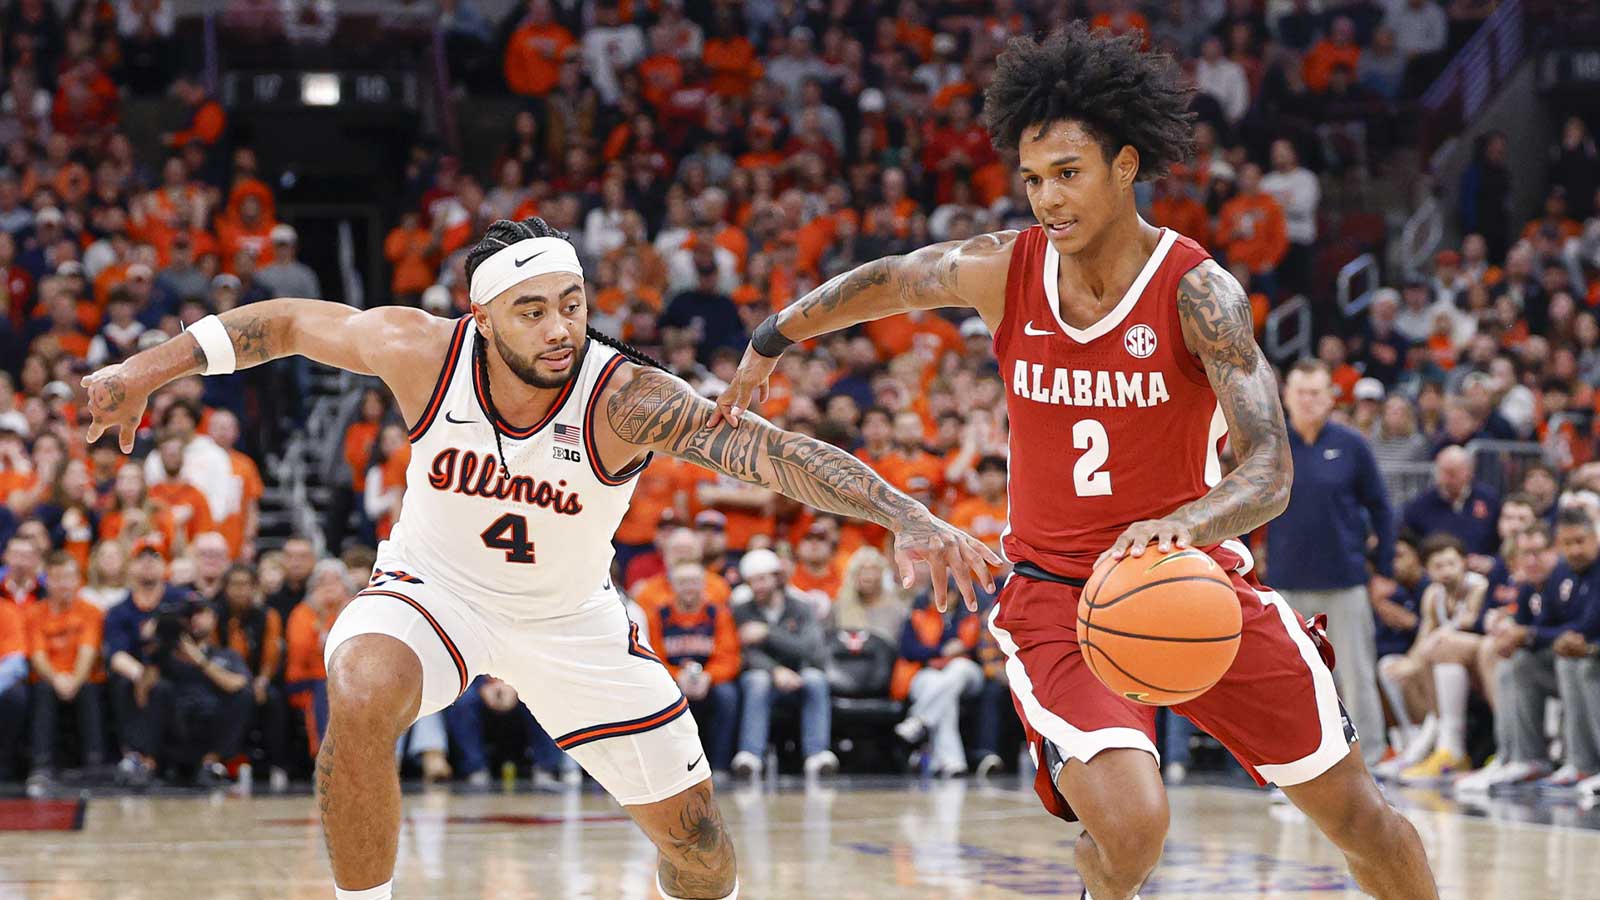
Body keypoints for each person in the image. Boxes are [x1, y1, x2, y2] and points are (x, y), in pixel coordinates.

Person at [714, 25, 1436, 899]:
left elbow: (1269, 472)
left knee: (1363, 820)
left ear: (1125, 166)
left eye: (1068, 173)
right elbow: (894, 280)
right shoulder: (1002, 270)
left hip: (1193, 579)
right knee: (1132, 831)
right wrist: (773, 334)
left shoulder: (1197, 291)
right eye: (1032, 179)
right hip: (1058, 596)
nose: (1047, 198)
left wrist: (1186, 523)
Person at [83, 215, 995, 900]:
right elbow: (279, 323)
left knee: (703, 856)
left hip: (571, 622)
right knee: (358, 688)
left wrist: (903, 512)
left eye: (572, 305)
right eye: (532, 311)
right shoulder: (420, 352)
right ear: (482, 318)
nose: (561, 328)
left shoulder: (626, 397)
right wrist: (143, 372)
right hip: (433, 593)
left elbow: (774, 453)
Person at [1268, 359, 1394, 764]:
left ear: (1330, 398)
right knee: (1289, 679)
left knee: (1357, 676)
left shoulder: (1352, 445)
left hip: (1345, 580)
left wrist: (1385, 570)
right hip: (1285, 583)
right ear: (1286, 397)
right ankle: (1294, 760)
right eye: (1300, 392)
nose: (1307, 400)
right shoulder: (1271, 445)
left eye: (1316, 392)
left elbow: (1382, 510)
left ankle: (1371, 758)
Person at [729, 549, 836, 779]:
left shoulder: (801, 606)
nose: (756, 586)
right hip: (761, 674)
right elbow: (747, 653)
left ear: (777, 578)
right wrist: (775, 670)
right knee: (757, 680)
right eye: (751, 581)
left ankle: (817, 755)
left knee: (816, 679)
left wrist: (768, 633)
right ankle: (750, 756)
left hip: (799, 672)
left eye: (762, 579)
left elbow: (810, 649)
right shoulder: (742, 610)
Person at [24, 551, 105, 794]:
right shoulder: (34, 613)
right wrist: (58, 678)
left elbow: (88, 652)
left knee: (89, 688)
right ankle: (41, 767)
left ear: (78, 580)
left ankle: (94, 763)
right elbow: (38, 656)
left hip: (83, 679)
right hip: (48, 680)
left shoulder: (91, 611)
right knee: (44, 690)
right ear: (46, 581)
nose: (64, 584)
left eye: (69, 577)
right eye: (57, 578)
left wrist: (73, 681)